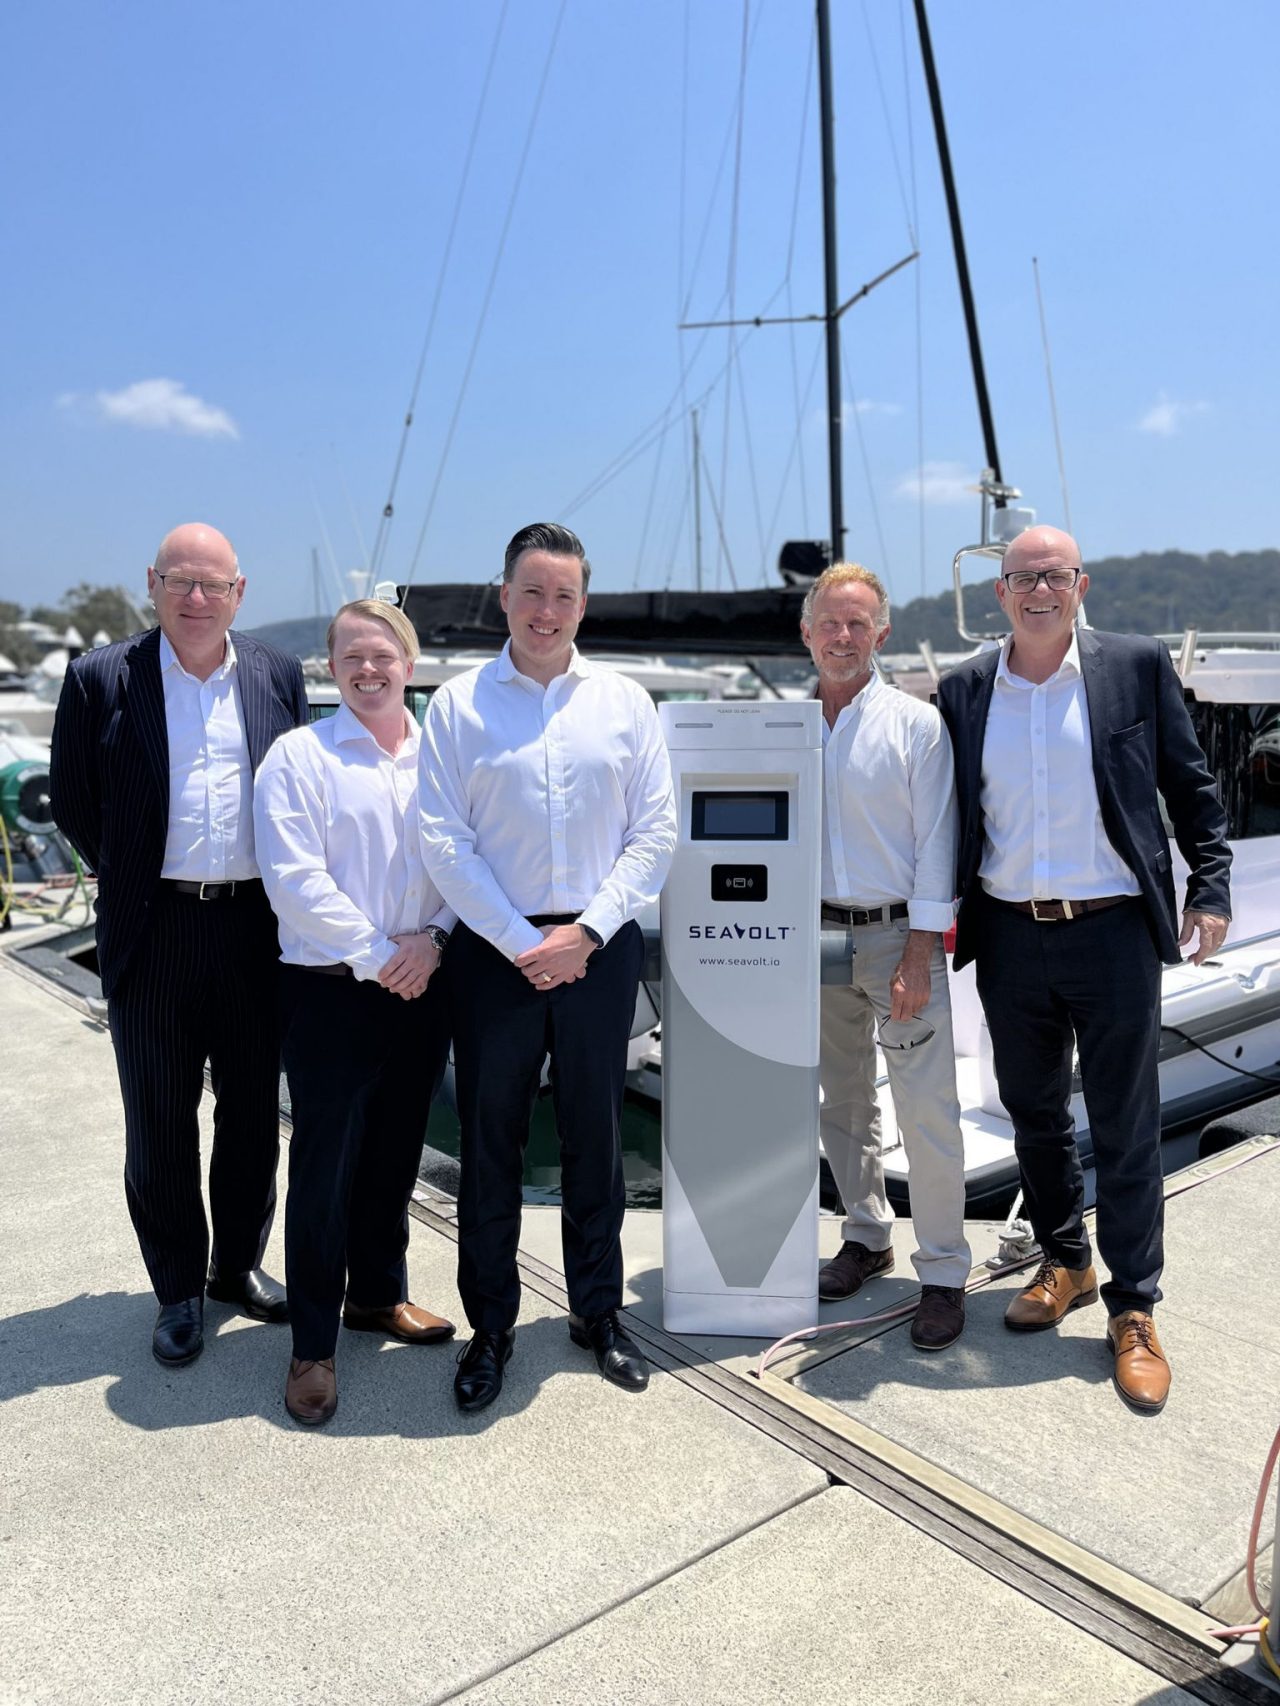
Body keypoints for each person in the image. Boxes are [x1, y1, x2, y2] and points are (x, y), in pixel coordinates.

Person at [936, 525, 1231, 1412]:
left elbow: (1192, 786)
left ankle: (1135, 1308)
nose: (1039, 591)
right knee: (1033, 1115)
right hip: (1008, 932)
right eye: (1022, 578)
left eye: (1054, 576)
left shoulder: (1133, 665)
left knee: (1127, 1124)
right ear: (999, 593)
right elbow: (945, 813)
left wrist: (1210, 888)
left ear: (1080, 585)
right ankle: (1067, 1262)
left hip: (1113, 932)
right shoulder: (965, 688)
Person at [418, 522, 676, 1412]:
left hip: (600, 949)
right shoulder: (457, 706)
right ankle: (490, 1328)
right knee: (489, 1147)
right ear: (504, 596)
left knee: (595, 1140)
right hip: (494, 955)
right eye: (532, 591)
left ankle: (597, 1315)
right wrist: (516, 941)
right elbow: (443, 841)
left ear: (582, 605)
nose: (546, 609)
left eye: (563, 594)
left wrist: (588, 933)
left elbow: (655, 834)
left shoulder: (625, 703)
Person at [50, 522, 307, 1367]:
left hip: (255, 928)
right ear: (152, 584)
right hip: (152, 927)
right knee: (160, 1119)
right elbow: (74, 800)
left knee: (252, 1116)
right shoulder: (99, 677)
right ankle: (177, 1290)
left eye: (213, 584)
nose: (196, 598)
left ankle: (235, 1267)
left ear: (240, 592)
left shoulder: (276, 673)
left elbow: (300, 790)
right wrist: (131, 874)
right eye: (179, 581)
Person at [254, 600, 455, 1427]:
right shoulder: (299, 757)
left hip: (424, 982)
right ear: (330, 667)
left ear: (409, 661)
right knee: (324, 1170)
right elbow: (294, 881)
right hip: (332, 990)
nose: (367, 670)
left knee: (394, 1156)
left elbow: (467, 861)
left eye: (382, 654)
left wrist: (434, 942)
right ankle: (312, 1345)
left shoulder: (443, 755)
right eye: (350, 657)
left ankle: (376, 1296)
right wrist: (384, 957)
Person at [801, 564, 972, 1349]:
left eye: (858, 623)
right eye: (830, 623)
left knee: (925, 1109)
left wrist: (918, 951)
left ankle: (943, 1271)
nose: (843, 636)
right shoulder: (786, 730)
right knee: (841, 1102)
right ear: (807, 633)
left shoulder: (916, 725)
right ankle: (867, 1236)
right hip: (816, 937)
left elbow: (938, 845)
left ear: (882, 633)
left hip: (900, 939)